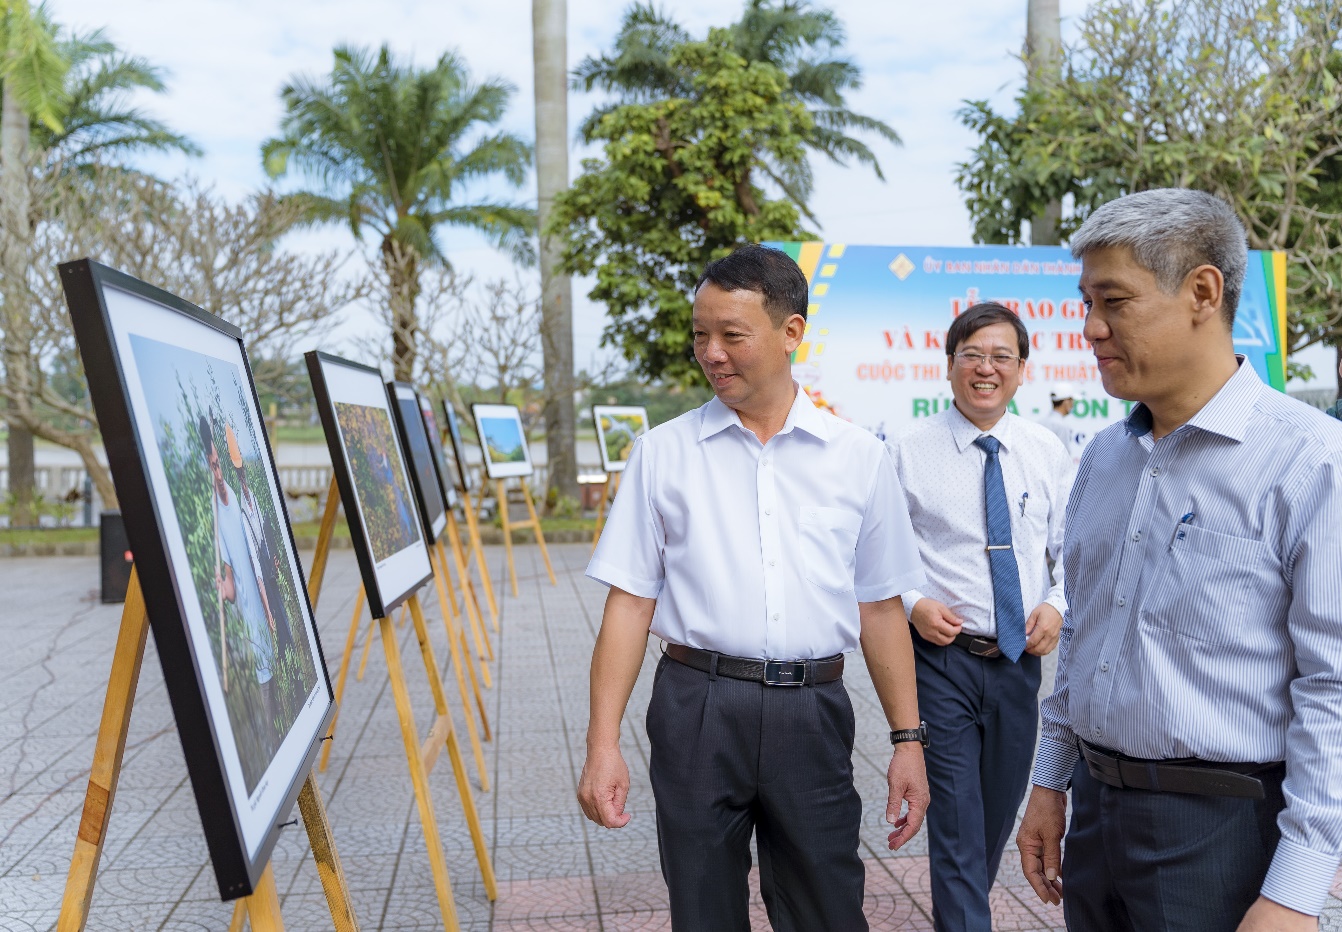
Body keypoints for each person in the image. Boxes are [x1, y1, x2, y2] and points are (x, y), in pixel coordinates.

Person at [577, 244, 930, 930]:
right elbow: (628, 605)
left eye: (732, 335)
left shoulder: (857, 457)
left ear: (791, 332)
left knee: (827, 907)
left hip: (813, 711)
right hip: (695, 708)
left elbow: (881, 607)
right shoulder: (664, 454)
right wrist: (602, 742)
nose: (711, 352)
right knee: (703, 910)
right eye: (700, 335)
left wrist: (907, 740)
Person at [1016, 188, 1342, 931]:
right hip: (1098, 818)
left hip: (1223, 833)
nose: (1090, 328)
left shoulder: (1311, 462)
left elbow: (1335, 690)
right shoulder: (1103, 457)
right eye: (1085, 300)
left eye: (1115, 301)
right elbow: (1087, 640)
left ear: (1203, 291)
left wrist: (1293, 891)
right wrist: (1051, 782)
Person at [888, 302, 1072, 931]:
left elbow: (1074, 554)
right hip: (944, 663)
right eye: (972, 355)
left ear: (1021, 371)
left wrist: (1057, 603)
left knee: (993, 818)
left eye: (1000, 357)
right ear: (949, 367)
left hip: (1019, 665)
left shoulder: (1047, 451)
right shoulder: (909, 454)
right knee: (960, 821)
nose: (985, 369)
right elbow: (881, 557)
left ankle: (963, 911)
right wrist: (913, 603)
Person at [201, 414, 279, 740]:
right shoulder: (214, 515)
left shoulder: (233, 495)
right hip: (253, 636)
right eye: (212, 467)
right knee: (269, 719)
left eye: (219, 464)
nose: (218, 474)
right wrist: (222, 588)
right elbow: (231, 586)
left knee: (278, 682)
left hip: (267, 618)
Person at [1038, 382, 1087, 463]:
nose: (1073, 404)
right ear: (1066, 402)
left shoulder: (1041, 422)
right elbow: (1063, 458)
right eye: (1072, 400)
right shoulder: (1061, 426)